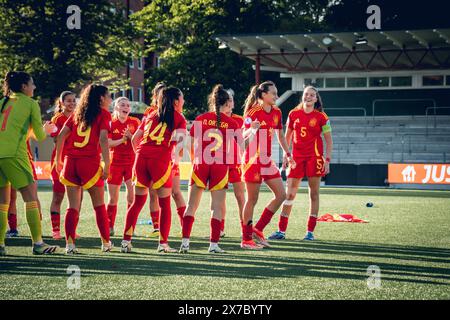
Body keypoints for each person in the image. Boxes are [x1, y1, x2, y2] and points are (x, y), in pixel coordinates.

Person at [120, 86, 186, 253]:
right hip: (160, 159)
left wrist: (141, 155)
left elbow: (135, 139)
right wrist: (174, 162)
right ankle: (163, 244)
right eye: (182, 99)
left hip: (141, 158)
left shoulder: (150, 115)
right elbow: (180, 146)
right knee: (164, 204)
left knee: (137, 202)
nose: (183, 102)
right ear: (176, 102)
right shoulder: (179, 118)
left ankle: (125, 241)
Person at [0, 71, 58, 255]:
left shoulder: (3, 101)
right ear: (24, 87)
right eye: (32, 84)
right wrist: (47, 129)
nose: (34, 87)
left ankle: (1, 245)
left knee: (2, 202)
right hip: (15, 154)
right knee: (31, 196)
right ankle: (38, 244)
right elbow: (40, 136)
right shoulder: (30, 103)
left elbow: (15, 130)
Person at [179, 84, 241, 254]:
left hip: (201, 163)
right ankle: (213, 245)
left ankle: (185, 243)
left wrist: (195, 160)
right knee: (217, 207)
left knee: (191, 206)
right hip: (220, 166)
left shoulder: (200, 119)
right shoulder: (232, 122)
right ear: (227, 103)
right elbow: (240, 148)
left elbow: (190, 143)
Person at [269, 86, 333, 241]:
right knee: (289, 194)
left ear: (316, 99)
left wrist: (327, 160)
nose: (309, 97)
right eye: (306, 95)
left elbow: (329, 141)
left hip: (315, 158)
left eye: (312, 95)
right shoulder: (293, 114)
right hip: (296, 158)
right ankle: (281, 230)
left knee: (314, 194)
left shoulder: (322, 117)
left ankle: (310, 232)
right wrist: (286, 154)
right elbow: (287, 136)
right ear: (302, 97)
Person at [56, 84, 113, 254]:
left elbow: (60, 136)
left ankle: (70, 245)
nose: (110, 99)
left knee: (72, 206)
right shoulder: (103, 114)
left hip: (70, 162)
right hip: (89, 163)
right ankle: (106, 243)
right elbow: (103, 139)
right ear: (101, 98)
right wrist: (108, 164)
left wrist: (59, 160)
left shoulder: (77, 114)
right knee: (99, 205)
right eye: (109, 96)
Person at [241, 81, 295, 249]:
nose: (276, 96)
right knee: (252, 199)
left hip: (267, 160)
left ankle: (258, 229)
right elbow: (241, 136)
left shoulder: (277, 112)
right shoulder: (253, 112)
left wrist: (288, 153)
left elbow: (280, 135)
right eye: (273, 93)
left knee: (281, 195)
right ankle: (246, 239)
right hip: (252, 161)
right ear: (263, 95)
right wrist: (252, 129)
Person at [107, 97, 140, 236]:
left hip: (131, 163)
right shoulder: (110, 123)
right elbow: (108, 143)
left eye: (127, 105)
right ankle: (109, 226)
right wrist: (123, 139)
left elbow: (139, 141)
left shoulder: (135, 122)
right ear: (116, 107)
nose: (125, 107)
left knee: (132, 197)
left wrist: (131, 136)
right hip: (114, 164)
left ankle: (129, 227)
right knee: (113, 198)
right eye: (122, 105)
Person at [49, 91, 77, 239]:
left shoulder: (79, 117)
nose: (72, 103)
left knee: (76, 198)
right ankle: (55, 230)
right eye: (68, 101)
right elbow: (56, 140)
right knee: (58, 195)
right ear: (61, 103)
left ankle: (72, 230)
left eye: (74, 100)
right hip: (60, 161)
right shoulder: (57, 119)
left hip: (75, 160)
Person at [221, 88, 246, 237]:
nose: (229, 103)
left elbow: (242, 142)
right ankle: (220, 228)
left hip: (236, 162)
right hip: (219, 162)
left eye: (231, 100)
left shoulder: (239, 120)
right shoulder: (214, 119)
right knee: (219, 196)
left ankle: (245, 229)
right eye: (226, 100)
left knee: (240, 196)